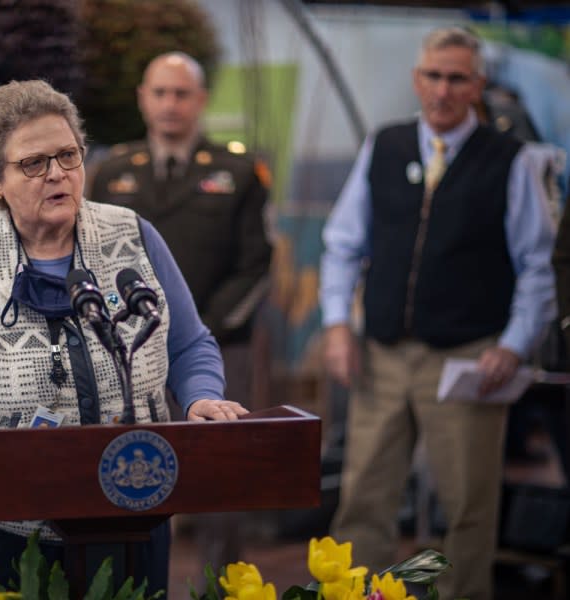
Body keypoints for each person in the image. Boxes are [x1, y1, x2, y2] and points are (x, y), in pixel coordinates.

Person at [0, 79, 246, 594]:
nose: (58, 174)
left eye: (68, 156)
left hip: (131, 508)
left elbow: (188, 343)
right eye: (34, 163)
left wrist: (202, 397)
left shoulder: (134, 236)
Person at [320, 27, 556, 600]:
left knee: (467, 506)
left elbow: (538, 267)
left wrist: (515, 344)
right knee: (363, 497)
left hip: (468, 355)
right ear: (416, 78)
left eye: (456, 78)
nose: (442, 90)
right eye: (433, 76)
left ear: (477, 85)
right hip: (380, 354)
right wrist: (335, 326)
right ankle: (353, 595)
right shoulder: (385, 145)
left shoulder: (513, 160)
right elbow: (344, 242)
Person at [87, 51, 273, 569]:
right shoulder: (113, 173)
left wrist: (194, 332)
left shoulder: (238, 172)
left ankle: (223, 581)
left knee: (221, 474)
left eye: (182, 93)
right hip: (127, 348)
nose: (171, 104)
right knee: (132, 467)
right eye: (161, 92)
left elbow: (257, 264)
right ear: (143, 99)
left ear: (202, 101)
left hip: (218, 344)